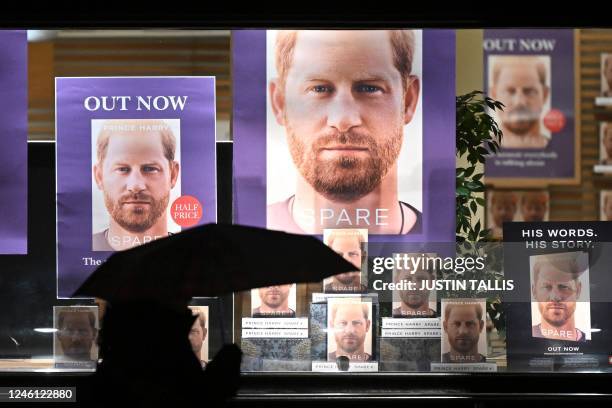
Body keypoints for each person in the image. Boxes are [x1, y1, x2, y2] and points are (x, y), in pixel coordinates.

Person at [267, 30, 422, 235]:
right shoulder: (246, 246)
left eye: (369, 88)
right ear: (280, 103)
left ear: (408, 100)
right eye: (319, 89)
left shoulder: (444, 250)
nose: (343, 120)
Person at [92, 119, 180, 251]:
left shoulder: (195, 256)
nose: (136, 185)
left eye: (150, 169)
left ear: (173, 175)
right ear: (99, 176)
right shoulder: (77, 252)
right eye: (122, 169)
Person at [490, 56, 550, 149]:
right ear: (494, 94)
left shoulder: (561, 150)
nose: (519, 102)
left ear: (545, 95)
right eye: (509, 91)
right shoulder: (479, 150)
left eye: (529, 91)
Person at [531, 254, 587, 342]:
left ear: (578, 290)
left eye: (563, 286)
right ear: (534, 291)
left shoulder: (596, 345)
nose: (555, 297)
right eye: (546, 287)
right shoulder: (522, 341)